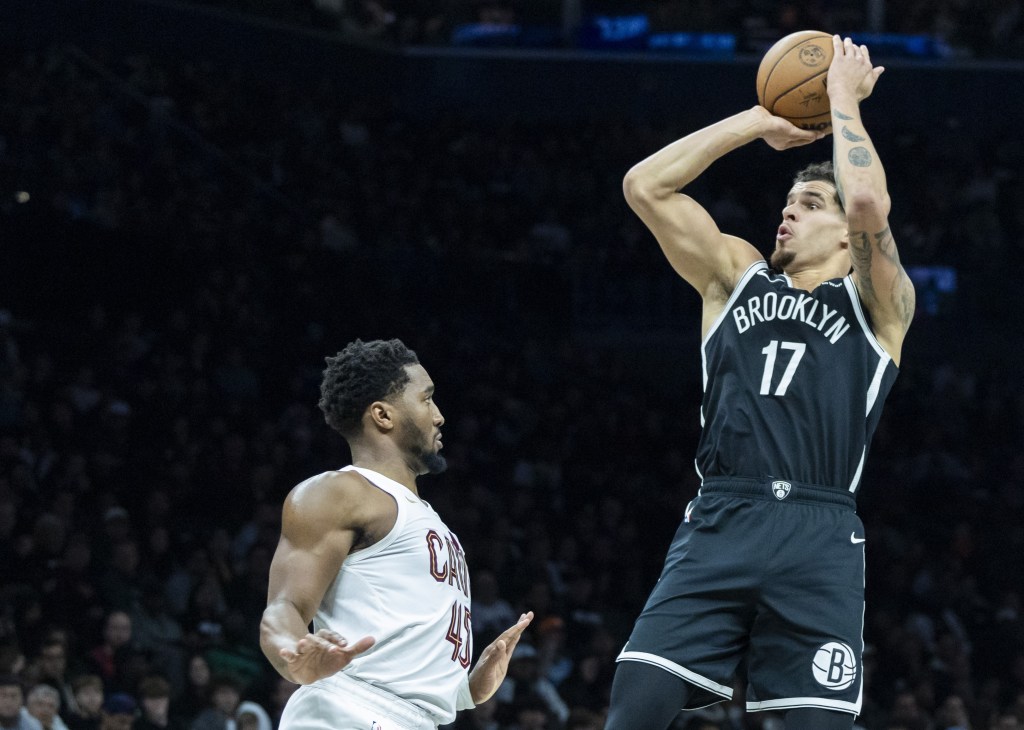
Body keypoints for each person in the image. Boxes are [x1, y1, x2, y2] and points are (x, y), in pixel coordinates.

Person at [606, 36, 915, 730]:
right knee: (634, 711)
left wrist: (841, 100)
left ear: (844, 236)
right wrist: (757, 121)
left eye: (808, 204)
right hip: (722, 517)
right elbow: (643, 186)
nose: (787, 212)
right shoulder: (735, 278)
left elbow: (867, 199)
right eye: (788, 201)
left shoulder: (878, 309)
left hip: (820, 532)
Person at [259, 339, 533, 729]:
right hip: (350, 711)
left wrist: (466, 690)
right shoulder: (338, 493)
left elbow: (400, 655)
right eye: (427, 400)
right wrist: (295, 652)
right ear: (383, 415)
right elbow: (282, 609)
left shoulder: (430, 521)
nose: (439, 416)